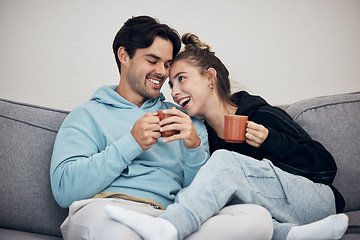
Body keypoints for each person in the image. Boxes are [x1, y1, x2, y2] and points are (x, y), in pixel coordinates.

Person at [105, 33, 349, 240]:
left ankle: (170, 227)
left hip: (314, 201)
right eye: (171, 85)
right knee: (222, 202)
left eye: (181, 79)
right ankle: (295, 235)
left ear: (210, 77)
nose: (176, 92)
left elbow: (326, 168)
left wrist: (270, 140)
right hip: (271, 218)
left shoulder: (260, 114)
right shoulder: (202, 135)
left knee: (223, 161)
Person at [50, 17, 273, 240]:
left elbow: (199, 197)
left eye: (167, 64)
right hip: (108, 209)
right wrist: (131, 143)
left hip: (170, 219)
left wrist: (195, 148)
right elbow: (65, 190)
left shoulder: (188, 122)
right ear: (124, 56)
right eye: (152, 60)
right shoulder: (87, 115)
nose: (162, 72)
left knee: (257, 219)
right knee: (116, 232)